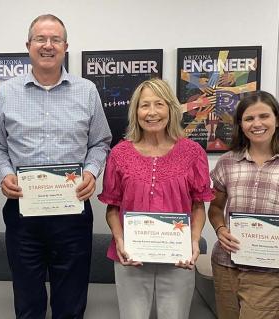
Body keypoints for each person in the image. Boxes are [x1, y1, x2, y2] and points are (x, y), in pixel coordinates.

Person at [0, 14, 111, 319]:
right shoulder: (7, 93)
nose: (48, 45)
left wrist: (91, 172)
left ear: (66, 47)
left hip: (72, 213)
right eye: (41, 39)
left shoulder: (87, 91)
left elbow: (100, 142)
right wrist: (5, 175)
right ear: (28, 46)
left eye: (55, 39)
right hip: (22, 213)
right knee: (28, 302)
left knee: (70, 302)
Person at [98, 78, 213, 319]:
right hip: (131, 256)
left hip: (178, 258)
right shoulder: (119, 154)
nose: (151, 112)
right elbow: (112, 208)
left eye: (159, 104)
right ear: (135, 112)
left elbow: (197, 205)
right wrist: (119, 240)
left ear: (170, 109)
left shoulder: (193, 153)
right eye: (144, 105)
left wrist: (193, 241)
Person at [208, 91, 279, 319]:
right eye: (249, 119)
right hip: (226, 264)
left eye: (264, 116)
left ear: (276, 120)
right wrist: (220, 229)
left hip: (269, 270)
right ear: (241, 124)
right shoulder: (227, 161)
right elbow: (216, 209)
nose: (257, 124)